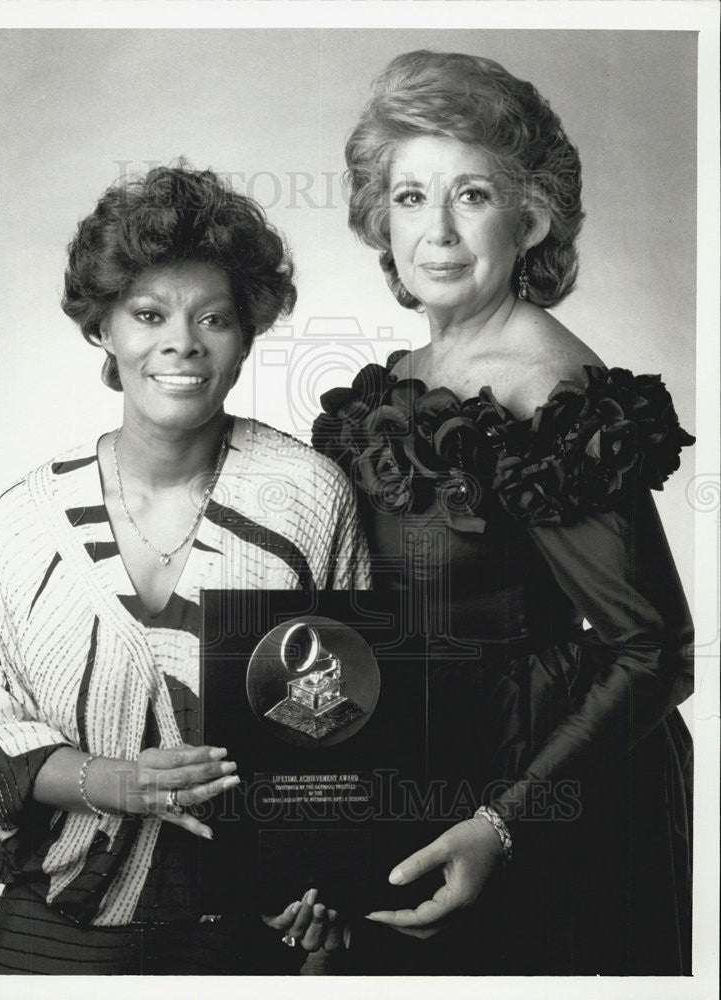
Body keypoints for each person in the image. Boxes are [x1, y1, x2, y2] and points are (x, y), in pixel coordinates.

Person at [313, 50, 694, 975]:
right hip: (425, 757)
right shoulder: (410, 373)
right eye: (410, 198)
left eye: (471, 194)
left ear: (529, 218)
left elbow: (656, 651)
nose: (436, 231)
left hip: (538, 786)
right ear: (379, 216)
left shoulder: (549, 385)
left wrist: (504, 823)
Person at [0, 163, 369, 974]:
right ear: (105, 329)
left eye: (213, 318)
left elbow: (356, 725)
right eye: (149, 314)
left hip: (249, 927)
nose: (182, 343)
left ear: (247, 332)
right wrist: (117, 781)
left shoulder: (307, 496)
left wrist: (329, 890)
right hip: (58, 920)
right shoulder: (20, 521)